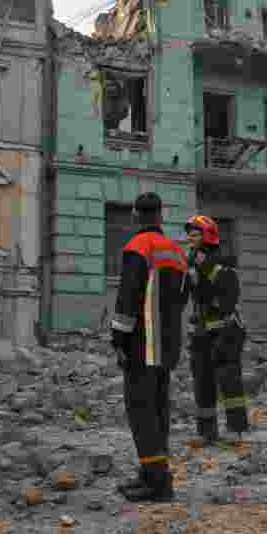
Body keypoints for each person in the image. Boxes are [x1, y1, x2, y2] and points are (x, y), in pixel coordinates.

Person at [110, 192, 188, 502]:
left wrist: (118, 339)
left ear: (135, 216)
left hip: (142, 344)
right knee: (158, 411)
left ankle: (157, 484)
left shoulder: (137, 248)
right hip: (167, 347)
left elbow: (127, 298)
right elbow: (183, 298)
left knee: (141, 412)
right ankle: (151, 473)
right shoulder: (176, 252)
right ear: (160, 216)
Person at [182, 215, 248, 444]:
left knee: (229, 380)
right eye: (189, 232)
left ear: (207, 235)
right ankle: (206, 432)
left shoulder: (223, 261)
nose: (190, 237)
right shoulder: (191, 261)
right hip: (201, 330)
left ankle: (235, 429)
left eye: (195, 233)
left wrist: (203, 263)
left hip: (226, 330)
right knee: (202, 381)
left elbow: (229, 292)